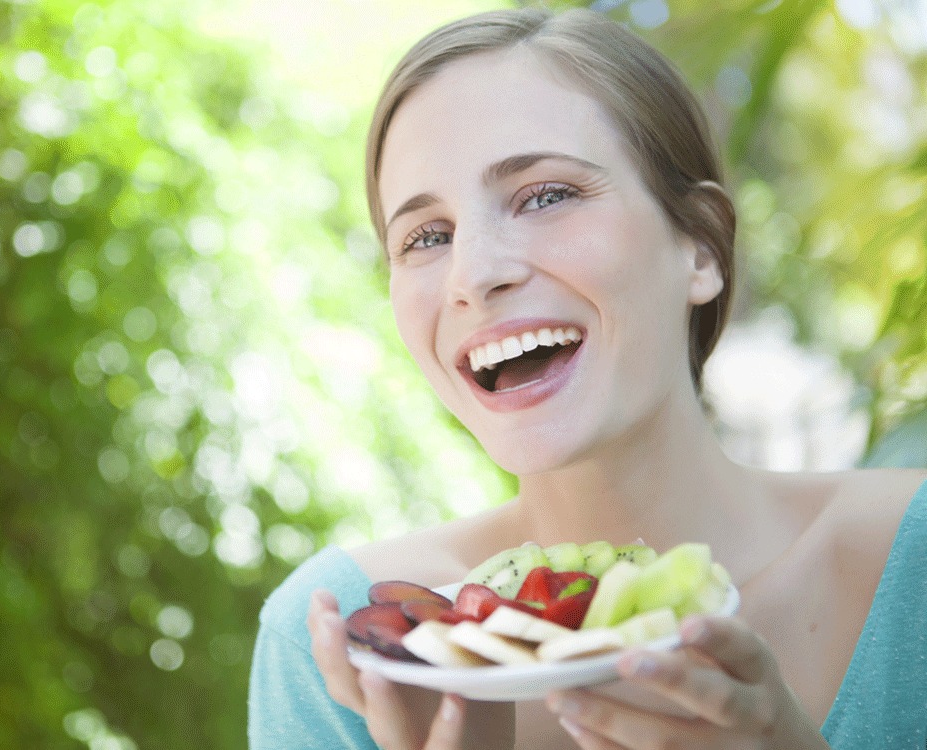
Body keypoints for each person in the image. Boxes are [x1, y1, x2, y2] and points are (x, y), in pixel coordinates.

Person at [248, 7, 927, 749]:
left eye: (545, 196)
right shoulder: (344, 646)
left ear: (699, 248)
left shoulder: (911, 564)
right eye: (426, 237)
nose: (474, 275)